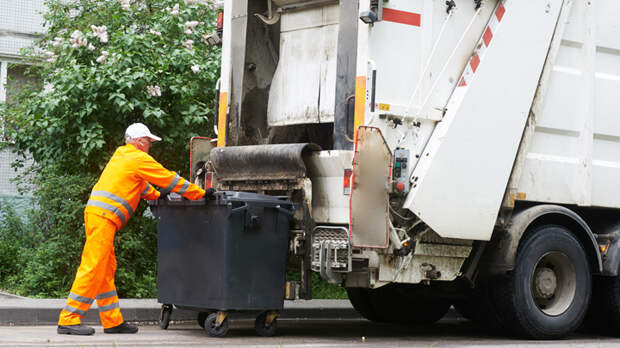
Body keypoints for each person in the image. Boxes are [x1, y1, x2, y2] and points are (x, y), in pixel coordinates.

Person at [57, 123, 214, 335]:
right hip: (102, 218)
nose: (150, 145)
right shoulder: (137, 158)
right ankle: (69, 319)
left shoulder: (123, 156)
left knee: (105, 269)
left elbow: (139, 185)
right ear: (140, 142)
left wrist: (158, 196)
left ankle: (112, 322)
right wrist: (200, 193)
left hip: (99, 217)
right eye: (149, 141)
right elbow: (169, 178)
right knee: (93, 266)